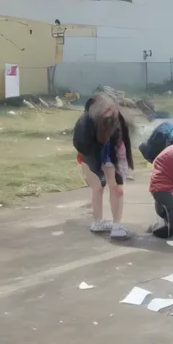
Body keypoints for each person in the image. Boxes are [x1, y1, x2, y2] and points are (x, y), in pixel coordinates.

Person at [73, 93, 134, 240]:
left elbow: (124, 139)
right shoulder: (85, 121)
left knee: (117, 189)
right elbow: (81, 145)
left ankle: (117, 226)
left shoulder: (117, 117)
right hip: (90, 155)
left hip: (111, 154)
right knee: (98, 188)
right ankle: (98, 222)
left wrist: (123, 162)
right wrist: (96, 165)